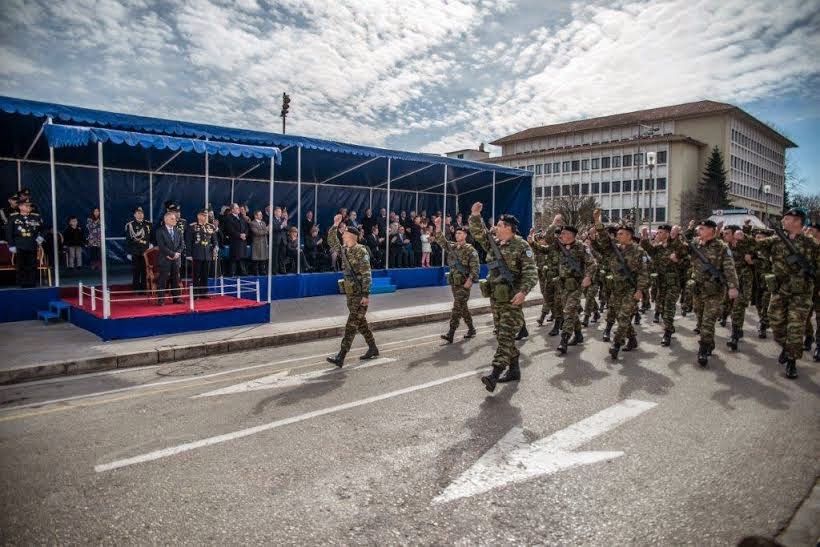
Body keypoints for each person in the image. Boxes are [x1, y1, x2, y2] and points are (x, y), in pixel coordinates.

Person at [468, 203, 537, 392]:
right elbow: (478, 233)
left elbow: (531, 273)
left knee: (506, 335)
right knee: (501, 335)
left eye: (498, 225)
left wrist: (523, 293)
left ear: (507, 227)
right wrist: (475, 215)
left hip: (512, 299)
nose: (495, 228)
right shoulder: (494, 243)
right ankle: (514, 369)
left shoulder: (522, 246)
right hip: (496, 298)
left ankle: (495, 374)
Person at [750, 208, 820, 378]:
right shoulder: (776, 240)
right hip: (780, 290)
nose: (783, 220)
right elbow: (754, 244)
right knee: (775, 321)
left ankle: (791, 361)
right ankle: (787, 347)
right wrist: (743, 233)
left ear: (797, 222)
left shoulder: (811, 244)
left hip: (801, 293)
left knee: (795, 327)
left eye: (787, 218)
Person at [591, 209, 650, 359]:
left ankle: (616, 345)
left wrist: (640, 290)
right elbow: (604, 238)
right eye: (617, 234)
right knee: (619, 316)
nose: (617, 235)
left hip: (631, 289)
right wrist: (597, 222)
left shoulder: (639, 251)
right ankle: (633, 339)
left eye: (621, 234)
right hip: (616, 289)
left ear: (629, 235)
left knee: (624, 317)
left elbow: (644, 272)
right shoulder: (614, 249)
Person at [686, 219, 739, 367]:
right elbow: (681, 248)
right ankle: (709, 341)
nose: (699, 231)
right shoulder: (696, 243)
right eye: (698, 229)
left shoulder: (721, 247)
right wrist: (689, 231)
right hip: (698, 289)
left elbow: (729, 268)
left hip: (714, 291)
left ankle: (703, 349)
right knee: (700, 318)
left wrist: (733, 287)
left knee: (708, 321)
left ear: (711, 230)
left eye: (702, 229)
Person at [326, 216, 379, 366]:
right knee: (361, 323)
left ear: (351, 236)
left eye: (344, 233)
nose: (342, 235)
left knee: (351, 325)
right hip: (350, 294)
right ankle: (373, 348)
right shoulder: (344, 250)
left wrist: (366, 295)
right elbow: (331, 241)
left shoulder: (360, 251)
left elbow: (367, 273)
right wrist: (335, 224)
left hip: (359, 295)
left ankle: (341, 356)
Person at [540, 216, 596, 354]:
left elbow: (592, 263)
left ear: (571, 235)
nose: (561, 235)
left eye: (564, 234)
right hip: (562, 285)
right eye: (561, 234)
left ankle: (564, 340)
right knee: (571, 311)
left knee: (568, 311)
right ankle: (578, 335)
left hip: (576, 285)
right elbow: (547, 239)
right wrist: (553, 224)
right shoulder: (559, 246)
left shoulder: (582, 247)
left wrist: (588, 277)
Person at [640, 224, 687, 346]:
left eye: (660, 232)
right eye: (657, 232)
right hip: (661, 284)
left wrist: (678, 260)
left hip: (673, 284)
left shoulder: (676, 246)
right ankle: (669, 327)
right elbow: (649, 249)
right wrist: (644, 237)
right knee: (661, 307)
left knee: (669, 307)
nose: (657, 235)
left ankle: (667, 332)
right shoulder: (659, 248)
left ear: (667, 233)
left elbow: (687, 260)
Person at [435, 217, 479, 342]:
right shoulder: (453, 247)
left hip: (464, 283)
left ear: (465, 235)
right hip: (454, 282)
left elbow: (475, 268)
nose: (457, 235)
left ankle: (451, 333)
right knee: (462, 307)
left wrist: (470, 280)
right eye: (456, 233)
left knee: (456, 307)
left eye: (460, 233)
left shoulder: (471, 250)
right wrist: (438, 226)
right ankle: (471, 329)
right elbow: (441, 240)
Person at [5, 197, 44, 287]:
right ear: (20, 207)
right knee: (21, 265)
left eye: (29, 205)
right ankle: (21, 283)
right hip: (20, 245)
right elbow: (8, 232)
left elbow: (44, 229)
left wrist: (40, 237)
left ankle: (32, 283)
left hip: (32, 244)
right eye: (26, 206)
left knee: (32, 265)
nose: (29, 207)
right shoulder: (13, 218)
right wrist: (11, 245)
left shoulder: (36, 217)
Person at [185, 209, 219, 298]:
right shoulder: (192, 226)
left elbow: (214, 240)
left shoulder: (211, 227)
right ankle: (195, 293)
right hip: (197, 253)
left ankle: (204, 292)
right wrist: (188, 254)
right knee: (196, 274)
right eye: (204, 215)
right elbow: (188, 241)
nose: (206, 217)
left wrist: (216, 247)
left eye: (206, 216)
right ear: (199, 216)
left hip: (207, 254)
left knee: (205, 274)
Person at [156, 211, 183, 305]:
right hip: (165, 259)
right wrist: (172, 254)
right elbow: (162, 246)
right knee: (163, 280)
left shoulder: (178, 230)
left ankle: (176, 298)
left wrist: (177, 253)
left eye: (175, 218)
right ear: (166, 220)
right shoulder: (160, 231)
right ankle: (161, 299)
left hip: (176, 259)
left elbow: (182, 244)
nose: (175, 220)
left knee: (176, 279)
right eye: (172, 219)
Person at [124, 206, 152, 290]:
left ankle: (144, 288)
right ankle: (136, 288)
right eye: (138, 213)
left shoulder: (148, 224)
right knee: (136, 271)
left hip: (145, 251)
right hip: (135, 251)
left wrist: (151, 246)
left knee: (144, 271)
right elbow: (128, 240)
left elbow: (151, 237)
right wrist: (129, 252)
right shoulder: (130, 225)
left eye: (141, 213)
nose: (140, 215)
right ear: (134, 215)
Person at [223, 203, 248, 277]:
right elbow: (230, 230)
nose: (238, 209)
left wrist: (245, 234)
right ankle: (232, 273)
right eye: (237, 208)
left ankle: (243, 272)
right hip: (235, 240)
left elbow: (247, 227)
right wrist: (239, 235)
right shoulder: (228, 218)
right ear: (232, 209)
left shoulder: (241, 217)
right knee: (234, 257)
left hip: (243, 240)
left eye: (238, 208)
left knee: (242, 257)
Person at [249, 210, 269, 275]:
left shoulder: (263, 223)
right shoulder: (252, 223)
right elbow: (257, 232)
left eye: (261, 214)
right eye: (260, 215)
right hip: (257, 243)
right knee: (256, 258)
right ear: (255, 216)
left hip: (263, 242)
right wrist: (266, 230)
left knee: (263, 258)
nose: (261, 216)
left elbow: (265, 231)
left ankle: (262, 271)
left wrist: (265, 230)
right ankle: (255, 272)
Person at [269, 206, 287, 274]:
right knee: (275, 257)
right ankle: (274, 270)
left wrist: (285, 225)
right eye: (279, 211)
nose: (280, 213)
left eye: (281, 212)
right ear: (275, 212)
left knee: (282, 256)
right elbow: (274, 228)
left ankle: (282, 270)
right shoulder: (272, 220)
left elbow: (287, 228)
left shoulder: (283, 220)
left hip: (283, 240)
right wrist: (282, 226)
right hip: (276, 240)